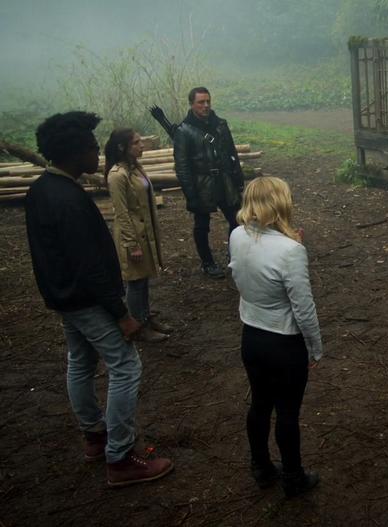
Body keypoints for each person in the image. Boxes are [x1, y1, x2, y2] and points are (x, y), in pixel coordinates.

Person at [25, 111, 173, 487]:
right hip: (88, 301)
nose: (97, 153)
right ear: (75, 152)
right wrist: (121, 313)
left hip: (65, 298)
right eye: (92, 148)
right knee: (126, 366)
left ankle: (95, 437)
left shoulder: (42, 189)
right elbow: (89, 265)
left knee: (80, 361)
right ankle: (120, 457)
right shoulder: (68, 200)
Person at [229, 176, 323, 497]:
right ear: (280, 203)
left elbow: (250, 267)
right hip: (284, 343)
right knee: (287, 412)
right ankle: (294, 477)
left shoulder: (237, 235)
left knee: (259, 404)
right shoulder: (292, 251)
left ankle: (261, 466)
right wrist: (315, 347)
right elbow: (303, 307)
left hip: (251, 337)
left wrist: (290, 241)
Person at [105, 128, 172, 343]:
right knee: (135, 281)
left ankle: (145, 317)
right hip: (132, 235)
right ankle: (138, 326)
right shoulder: (117, 175)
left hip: (144, 233)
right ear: (122, 147)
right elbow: (121, 212)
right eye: (136, 143)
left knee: (143, 279)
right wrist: (131, 244)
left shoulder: (136, 168)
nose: (141, 145)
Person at [174, 86, 245, 279]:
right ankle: (207, 263)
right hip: (201, 184)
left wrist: (238, 179)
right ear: (192, 104)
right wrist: (191, 195)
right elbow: (182, 167)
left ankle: (236, 256)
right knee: (202, 225)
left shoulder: (220, 124)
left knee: (237, 220)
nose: (205, 106)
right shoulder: (184, 130)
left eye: (208, 101)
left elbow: (232, 154)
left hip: (224, 180)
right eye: (201, 102)